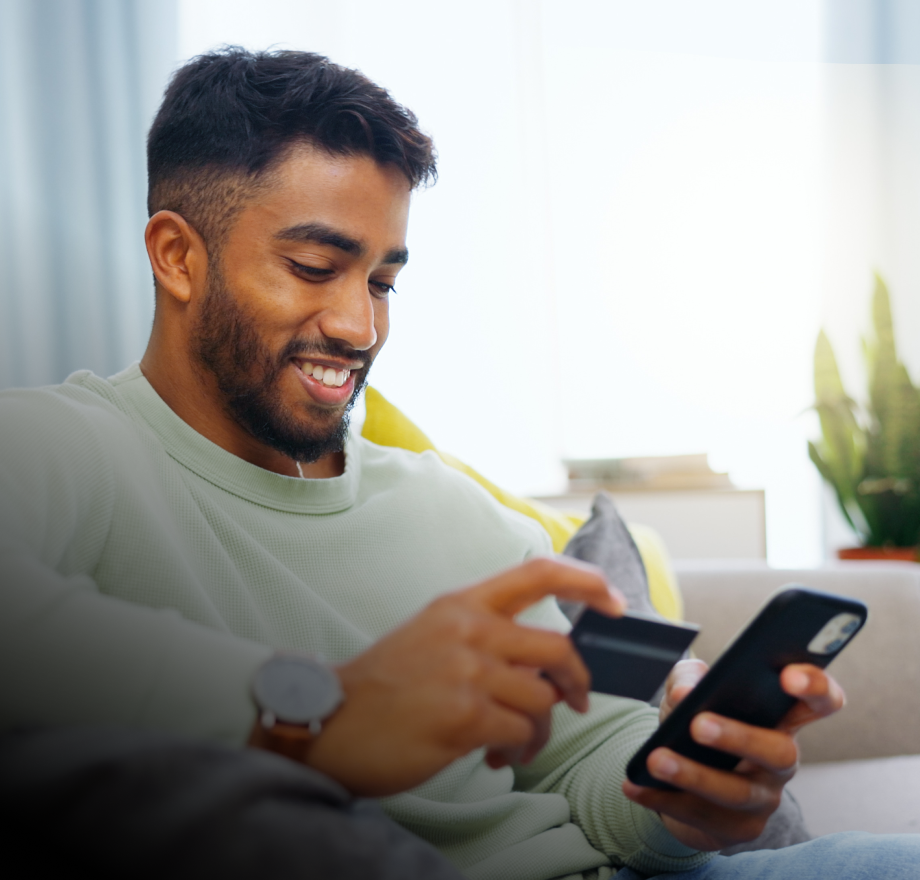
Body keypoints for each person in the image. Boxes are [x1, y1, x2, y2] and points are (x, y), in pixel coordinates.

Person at [0, 47, 917, 880]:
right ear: (176, 256)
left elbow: (586, 760)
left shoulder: (460, 515)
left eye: (383, 282)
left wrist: (682, 803)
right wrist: (319, 709)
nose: (361, 327)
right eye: (315, 266)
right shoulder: (61, 448)